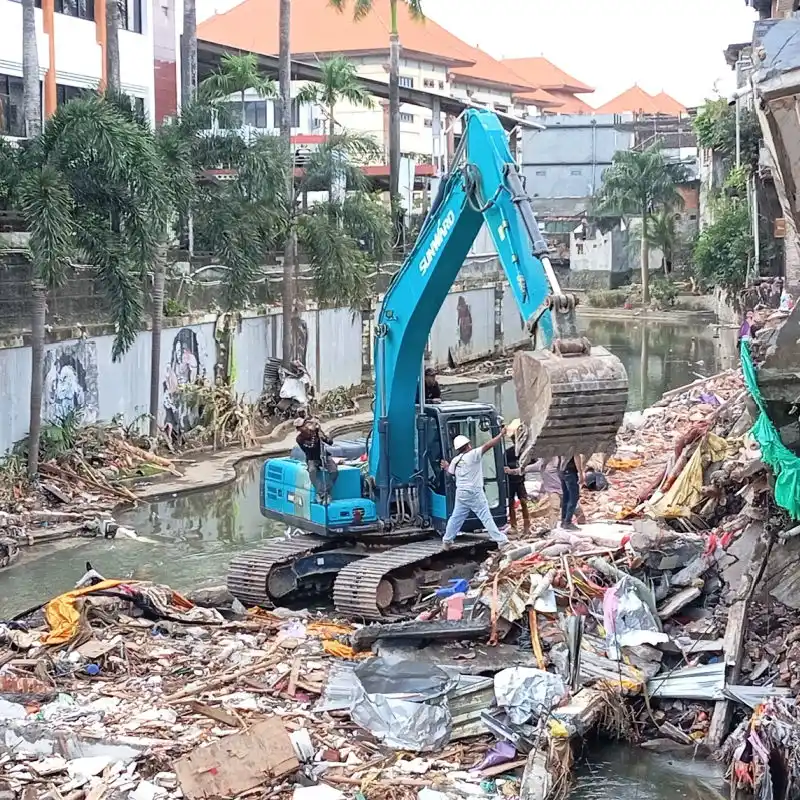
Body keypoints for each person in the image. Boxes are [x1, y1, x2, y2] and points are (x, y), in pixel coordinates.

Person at [440, 430, 509, 549]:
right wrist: (501, 435)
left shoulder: (456, 460)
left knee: (456, 517)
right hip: (474, 492)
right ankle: (501, 541)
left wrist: (446, 466)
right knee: (485, 516)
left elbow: (450, 472)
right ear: (467, 445)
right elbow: (488, 445)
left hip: (461, 492)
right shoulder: (473, 455)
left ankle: (447, 540)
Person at [295, 418, 338, 503]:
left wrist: (322, 435)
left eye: (304, 425)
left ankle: (326, 491)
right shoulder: (299, 439)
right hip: (312, 459)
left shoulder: (317, 431)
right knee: (312, 471)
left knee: (334, 471)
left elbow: (330, 442)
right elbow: (312, 446)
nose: (304, 428)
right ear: (299, 429)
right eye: (301, 427)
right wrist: (315, 434)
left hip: (324, 455)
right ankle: (321, 492)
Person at [504, 428, 531, 533]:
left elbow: (532, 463)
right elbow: (503, 466)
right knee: (511, 503)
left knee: (523, 501)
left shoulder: (525, 452)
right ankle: (514, 526)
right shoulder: (508, 452)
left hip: (520, 481)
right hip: (510, 482)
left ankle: (527, 525)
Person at [558, 455, 583, 531]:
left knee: (566, 497)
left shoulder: (563, 444)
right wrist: (581, 473)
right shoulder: (573, 444)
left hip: (562, 471)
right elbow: (576, 456)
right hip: (570, 471)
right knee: (573, 497)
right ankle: (568, 522)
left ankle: (563, 520)